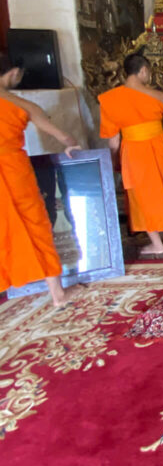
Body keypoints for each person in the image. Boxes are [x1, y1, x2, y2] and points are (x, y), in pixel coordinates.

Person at [99, 52, 163, 255]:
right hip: (158, 148)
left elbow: (113, 140)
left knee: (142, 196)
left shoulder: (110, 99)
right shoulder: (157, 96)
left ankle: (158, 242)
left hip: (133, 152)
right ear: (143, 71)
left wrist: (114, 161)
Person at [0, 51, 81, 306]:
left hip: (13, 169)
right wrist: (70, 145)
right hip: (14, 170)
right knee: (37, 225)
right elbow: (62, 136)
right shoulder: (22, 105)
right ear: (13, 73)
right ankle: (57, 294)